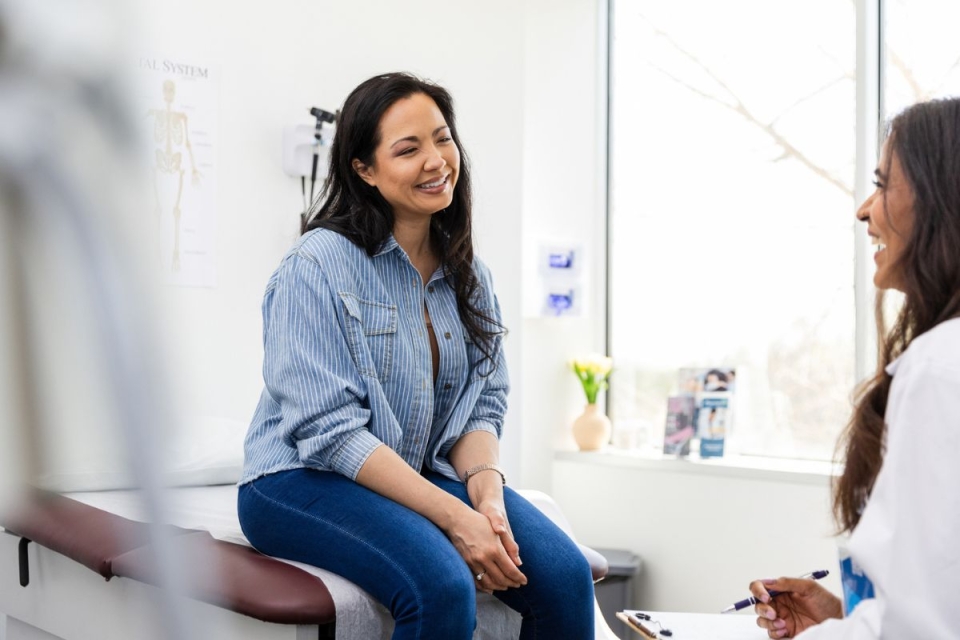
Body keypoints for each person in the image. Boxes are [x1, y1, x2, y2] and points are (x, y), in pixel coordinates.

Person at [237, 72, 595, 639]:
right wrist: (454, 517)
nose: (436, 161)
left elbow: (482, 405)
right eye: (408, 149)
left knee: (565, 574)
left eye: (442, 138)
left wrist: (488, 495)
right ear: (365, 169)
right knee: (442, 585)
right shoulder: (316, 265)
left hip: (416, 470)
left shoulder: (470, 273)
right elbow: (329, 432)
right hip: (298, 479)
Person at [748, 97, 960, 638]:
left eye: (884, 183)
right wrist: (847, 615)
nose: (865, 210)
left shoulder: (938, 368)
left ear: (942, 196)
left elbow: (919, 628)